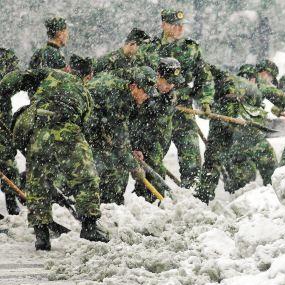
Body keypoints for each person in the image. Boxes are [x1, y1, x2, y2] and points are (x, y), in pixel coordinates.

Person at [0, 66, 109, 250]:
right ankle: (90, 226)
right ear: (86, 77)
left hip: (38, 130)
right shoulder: (84, 92)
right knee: (85, 177)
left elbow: (18, 76)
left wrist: (2, 90)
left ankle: (41, 234)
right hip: (68, 128)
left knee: (38, 182)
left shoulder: (45, 74)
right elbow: (85, 125)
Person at [195, 63, 285, 203]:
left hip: (219, 124)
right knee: (268, 160)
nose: (270, 83)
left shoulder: (228, 80)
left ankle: (201, 200)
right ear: (263, 75)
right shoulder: (257, 83)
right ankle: (275, 198)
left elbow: (205, 93)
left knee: (213, 163)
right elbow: (283, 99)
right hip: (243, 127)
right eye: (271, 79)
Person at [140, 9, 214, 189]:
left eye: (182, 25)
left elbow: (204, 77)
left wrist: (205, 100)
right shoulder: (149, 48)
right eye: (175, 25)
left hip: (183, 110)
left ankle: (192, 197)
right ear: (163, 25)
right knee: (152, 158)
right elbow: (139, 77)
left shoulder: (191, 48)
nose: (180, 28)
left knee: (191, 158)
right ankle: (148, 197)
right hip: (155, 113)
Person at [85, 64, 161, 204]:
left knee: (114, 159)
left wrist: (131, 149)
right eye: (145, 92)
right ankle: (106, 203)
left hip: (95, 124)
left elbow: (121, 132)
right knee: (108, 164)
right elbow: (119, 139)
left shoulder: (124, 90)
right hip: (83, 126)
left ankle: (108, 201)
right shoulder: (117, 97)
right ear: (133, 86)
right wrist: (134, 167)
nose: (147, 96)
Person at [130, 58, 183, 201]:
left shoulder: (168, 96)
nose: (170, 86)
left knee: (153, 173)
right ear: (158, 75)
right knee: (151, 175)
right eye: (167, 82)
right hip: (138, 139)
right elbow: (135, 121)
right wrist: (134, 146)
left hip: (156, 141)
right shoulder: (143, 88)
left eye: (173, 83)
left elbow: (157, 124)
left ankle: (147, 202)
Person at [0, 48, 21, 217]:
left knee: (7, 158)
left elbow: (15, 80)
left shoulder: (6, 55)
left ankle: (11, 200)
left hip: (2, 118)